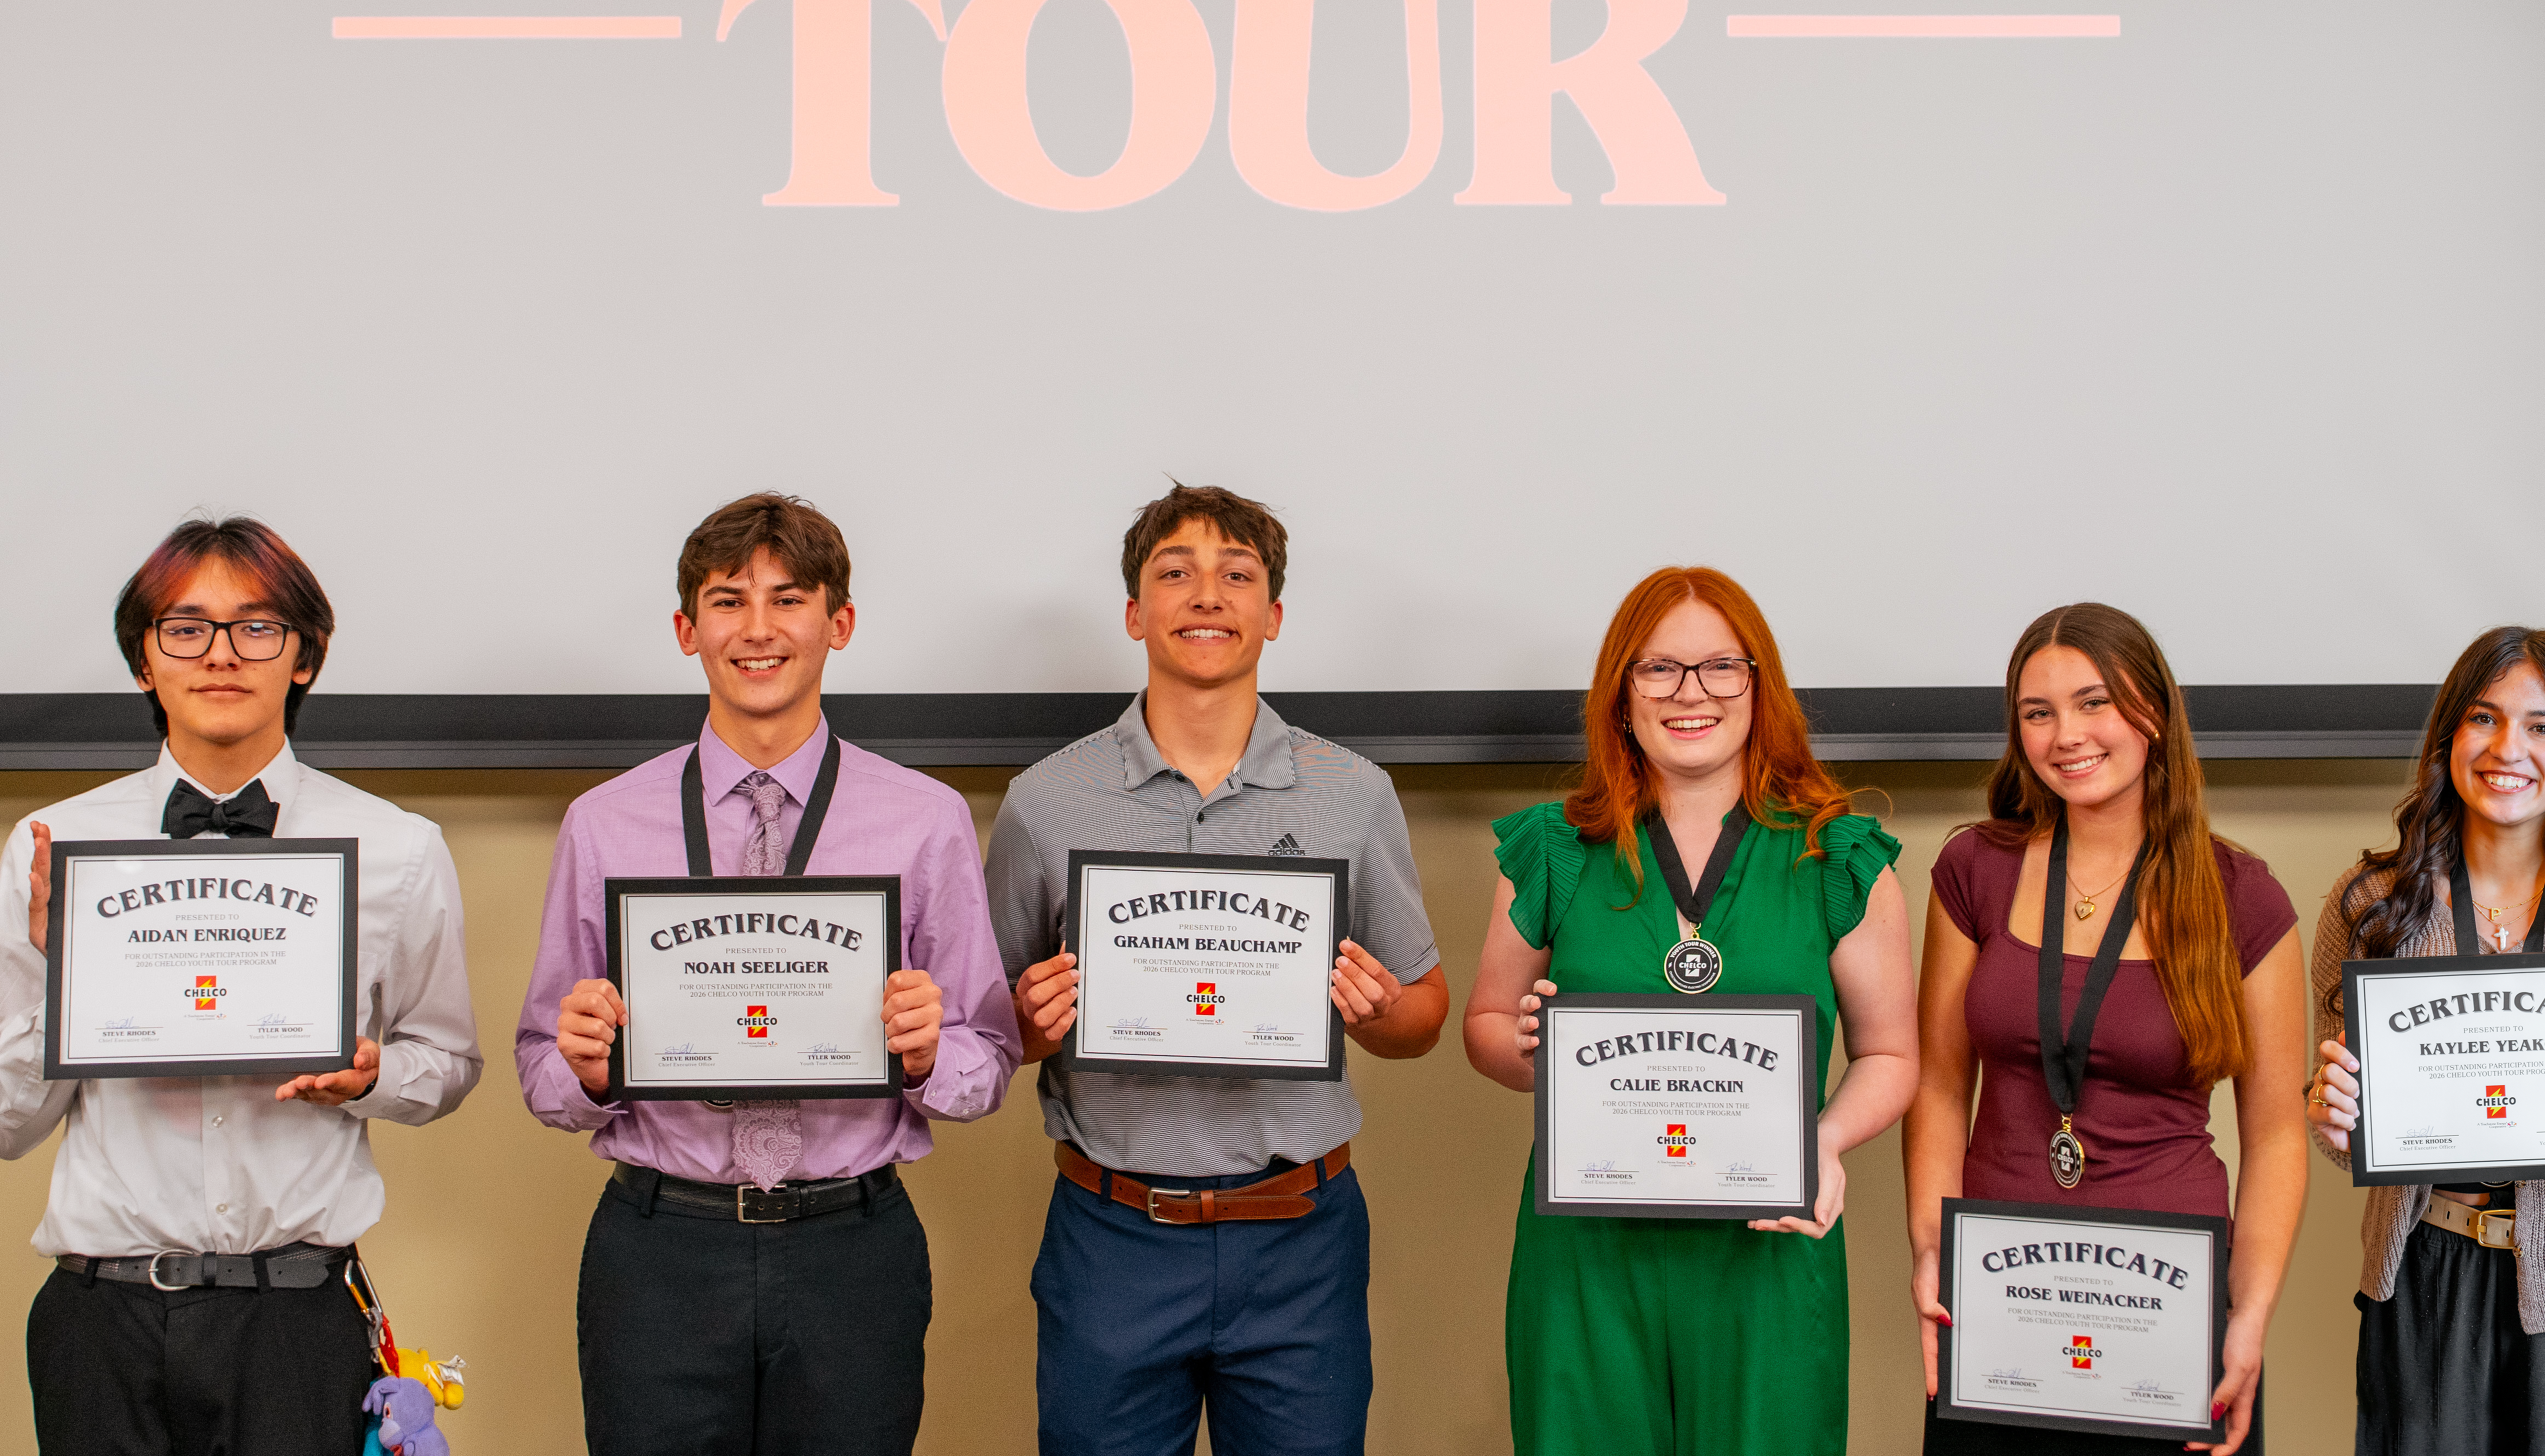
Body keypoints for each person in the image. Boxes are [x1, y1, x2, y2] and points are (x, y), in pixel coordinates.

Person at [0, 516, 482, 1456]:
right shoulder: (53, 846)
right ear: (143, 662)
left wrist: (372, 1079)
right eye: (186, 628)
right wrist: (71, 981)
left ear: (305, 656)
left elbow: (447, 1061)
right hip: (99, 1320)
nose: (222, 654)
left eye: (257, 627)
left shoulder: (399, 848)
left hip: (297, 1320)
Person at [516, 492, 1018, 1456]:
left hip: (852, 1249)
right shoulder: (603, 823)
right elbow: (541, 1065)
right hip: (660, 1250)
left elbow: (988, 1061)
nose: (757, 629)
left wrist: (926, 1057)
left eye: (788, 599)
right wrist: (585, 1069)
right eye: (727, 601)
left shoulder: (926, 819)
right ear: (686, 630)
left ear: (840, 623)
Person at [985, 484, 1449, 1456]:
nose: (1207, 594)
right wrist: (1028, 1018)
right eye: (1176, 572)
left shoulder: (1354, 792)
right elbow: (990, 1034)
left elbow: (1424, 1015)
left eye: (1237, 574)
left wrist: (1379, 1011)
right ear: (1134, 612)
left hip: (1300, 1236)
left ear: (1272, 614)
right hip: (1112, 1233)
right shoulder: (1044, 799)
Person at [1465, 565, 1918, 1456]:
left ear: (1759, 684)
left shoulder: (1838, 856)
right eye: (1659, 668)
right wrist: (1524, 1049)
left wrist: (1822, 1142)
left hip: (1767, 1244)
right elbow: (1486, 1025)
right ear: (1622, 692)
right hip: (1589, 1250)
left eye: (1720, 667)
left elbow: (1892, 1056)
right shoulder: (1555, 848)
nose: (1690, 693)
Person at [1905, 603, 2304, 1455]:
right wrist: (1932, 1254)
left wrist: (2248, 1312)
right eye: (2037, 712)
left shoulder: (2244, 896)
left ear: (2152, 711)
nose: (2066, 736)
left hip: (2169, 1308)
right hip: (1999, 1299)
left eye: (2094, 703)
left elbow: (2276, 1136)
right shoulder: (1974, 869)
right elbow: (1937, 1088)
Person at [2307, 626, 2545, 1455]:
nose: (2507, 749)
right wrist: (2333, 1119)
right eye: (2483, 718)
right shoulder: (2371, 905)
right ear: (2449, 735)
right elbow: (2343, 1131)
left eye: (2541, 726)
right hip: (2423, 1279)